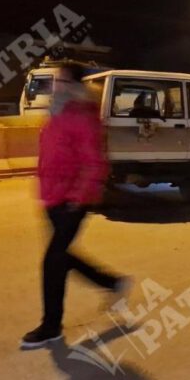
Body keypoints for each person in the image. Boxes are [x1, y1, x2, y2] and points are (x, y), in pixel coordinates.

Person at [21, 63, 129, 350]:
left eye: (61, 80)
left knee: (52, 262)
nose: (55, 85)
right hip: (53, 199)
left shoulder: (81, 115)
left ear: (74, 85)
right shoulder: (56, 113)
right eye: (55, 81)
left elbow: (94, 163)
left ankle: (51, 326)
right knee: (63, 257)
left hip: (72, 202)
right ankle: (113, 283)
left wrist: (77, 199)